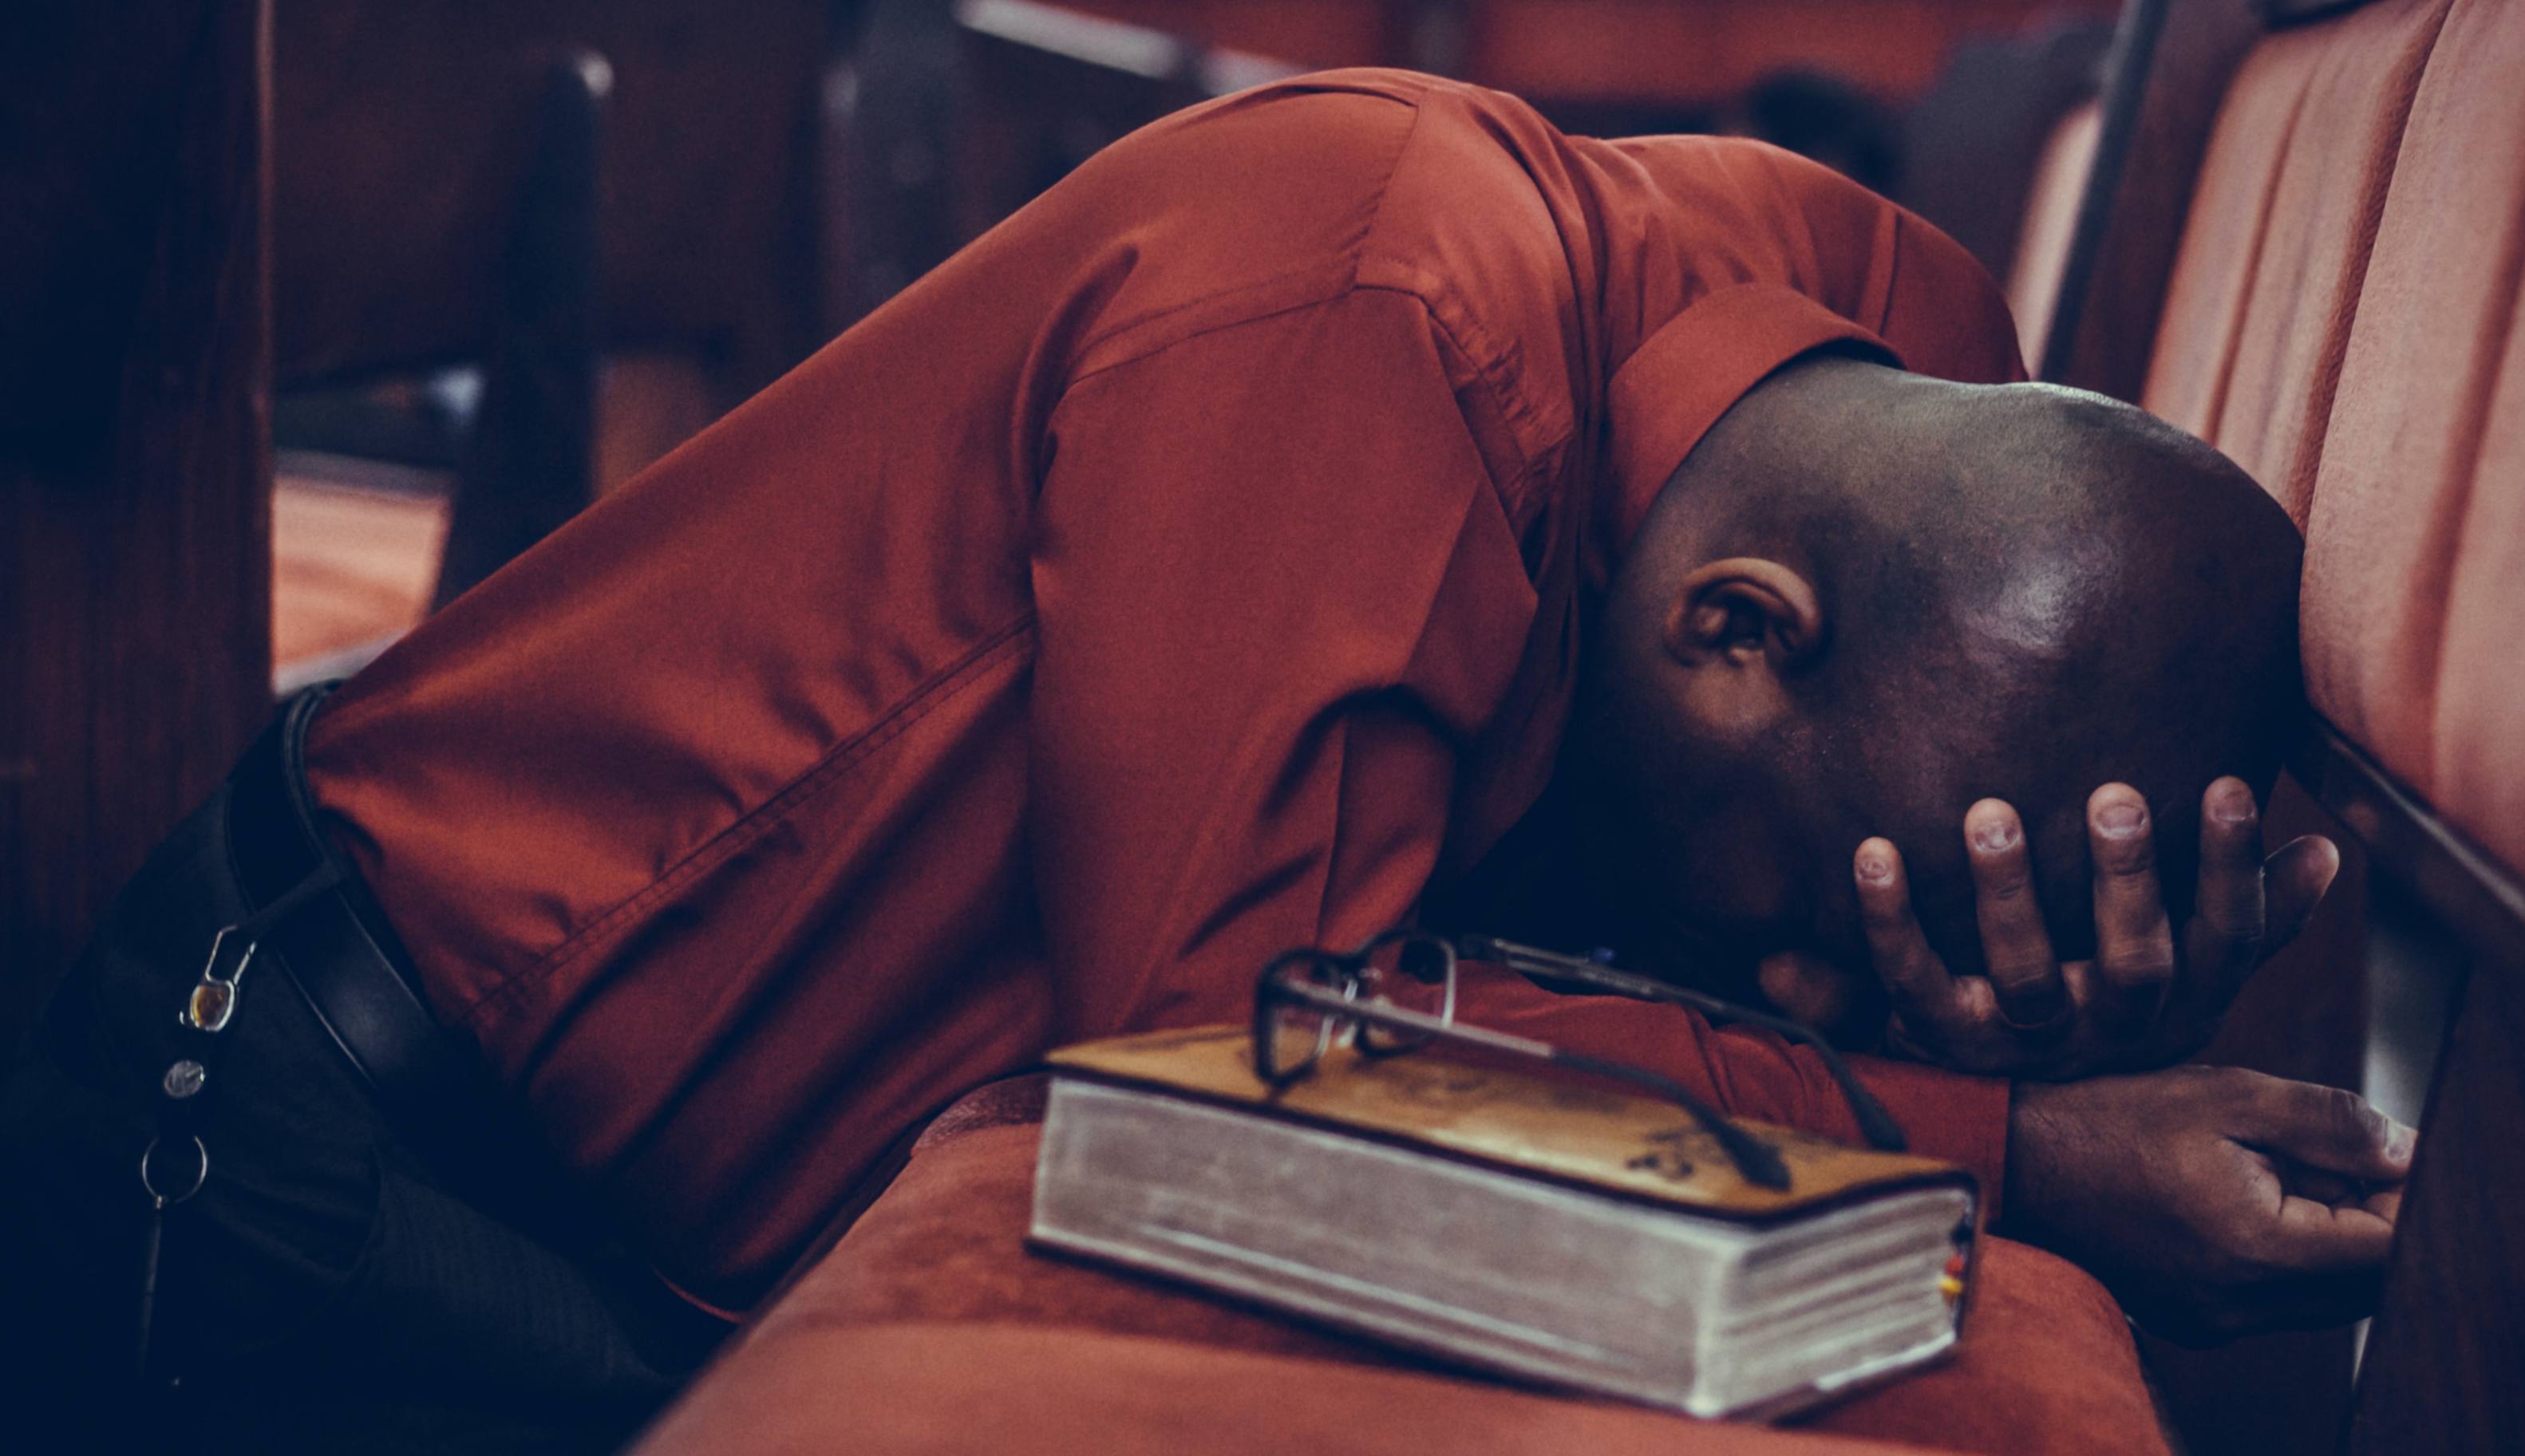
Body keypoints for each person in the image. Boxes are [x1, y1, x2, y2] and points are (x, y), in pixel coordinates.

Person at [0, 69, 2401, 1453]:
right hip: (320, 1161)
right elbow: (1228, 1099)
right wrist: (2006, 1146)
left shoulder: (1886, 355)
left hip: (706, 1206)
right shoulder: (1381, 310)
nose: (1788, 983)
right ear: (1734, 632)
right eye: (1790, 930)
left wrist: (2033, 995)